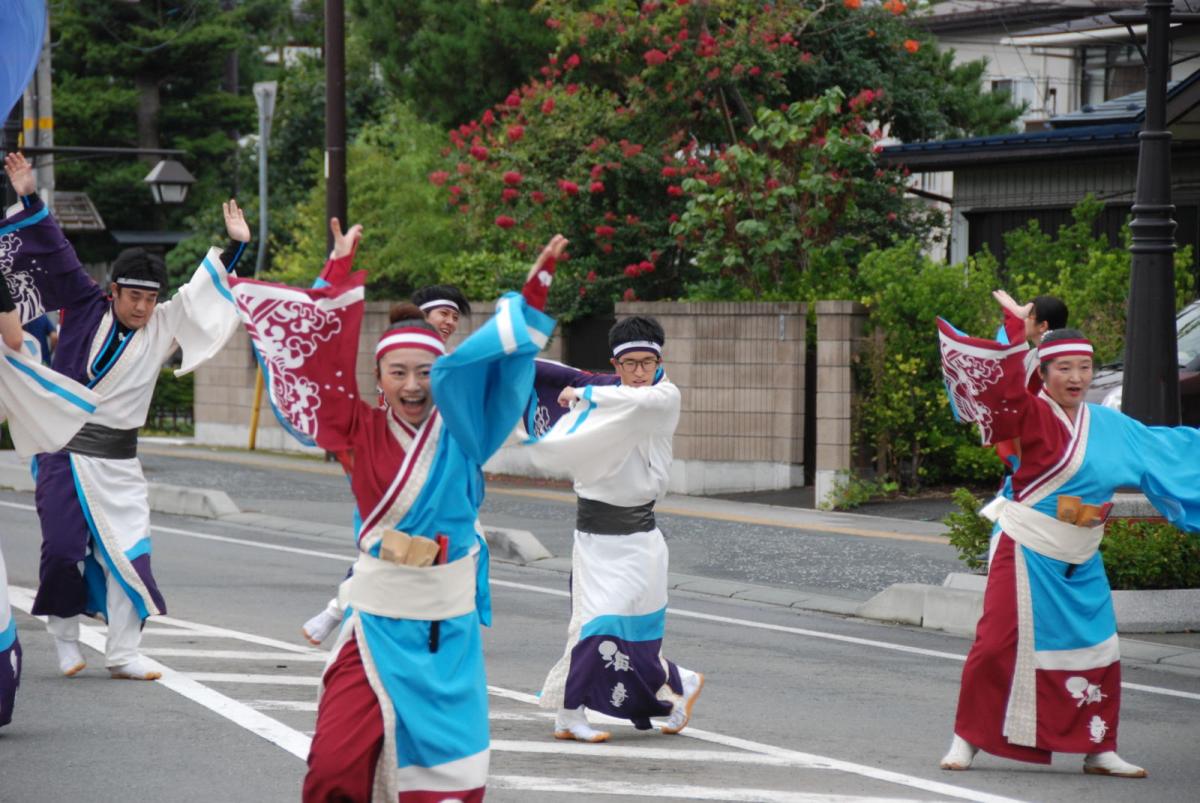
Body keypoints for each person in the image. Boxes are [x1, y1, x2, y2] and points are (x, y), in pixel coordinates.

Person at [229, 219, 564, 802]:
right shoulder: (355, 430)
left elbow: (504, 366)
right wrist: (335, 273)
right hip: (375, 623)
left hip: (445, 628)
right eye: (398, 372)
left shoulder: (467, 429)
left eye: (427, 372)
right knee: (333, 768)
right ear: (378, 378)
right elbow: (316, 360)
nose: (413, 385)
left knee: (443, 785)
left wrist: (531, 295)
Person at [1, 152, 249, 681]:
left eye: (150, 298)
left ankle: (122, 652)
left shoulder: (163, 323)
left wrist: (239, 246)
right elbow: (57, 249)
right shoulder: (83, 303)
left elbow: (207, 291)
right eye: (133, 296)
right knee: (64, 551)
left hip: (118, 461)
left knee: (129, 556)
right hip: (64, 451)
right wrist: (27, 195)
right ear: (113, 290)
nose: (142, 308)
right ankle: (65, 640)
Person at [936, 291, 1200, 778]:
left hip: (1081, 555)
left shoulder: (1110, 424)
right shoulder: (1030, 413)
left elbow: (1171, 452)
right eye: (1064, 369)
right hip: (1026, 548)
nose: (1076, 378)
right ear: (1044, 373)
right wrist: (1018, 332)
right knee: (996, 645)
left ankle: (1098, 747)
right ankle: (968, 737)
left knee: (1097, 648)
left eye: (1084, 367)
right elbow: (1001, 396)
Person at [524, 316, 703, 742]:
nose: (640, 372)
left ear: (660, 360)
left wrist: (583, 394)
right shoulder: (608, 391)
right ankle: (571, 714)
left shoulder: (663, 396)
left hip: (638, 540)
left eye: (648, 362)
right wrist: (497, 361)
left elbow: (631, 402)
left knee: (620, 630)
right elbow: (551, 372)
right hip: (591, 539)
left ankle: (674, 683)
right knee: (590, 627)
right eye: (630, 364)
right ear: (616, 364)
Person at [300, 280, 473, 646]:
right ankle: (338, 611)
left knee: (460, 550)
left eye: (455, 317)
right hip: (387, 469)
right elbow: (322, 369)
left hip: (440, 470)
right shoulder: (395, 357)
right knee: (384, 547)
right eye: (444, 313)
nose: (449, 322)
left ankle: (438, 626)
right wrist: (331, 283)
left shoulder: (450, 363)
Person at [1, 263, 101, 727]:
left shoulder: (40, 310)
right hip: (43, 435)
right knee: (62, 541)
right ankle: (62, 632)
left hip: (48, 426)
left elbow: (27, 343)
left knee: (88, 543)